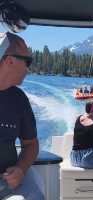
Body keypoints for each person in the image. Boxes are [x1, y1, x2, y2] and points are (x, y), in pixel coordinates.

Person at [0, 32, 44, 199]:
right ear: (10, 60)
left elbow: (31, 144)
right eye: (27, 62)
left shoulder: (19, 99)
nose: (28, 69)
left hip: (7, 183)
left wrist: (21, 169)